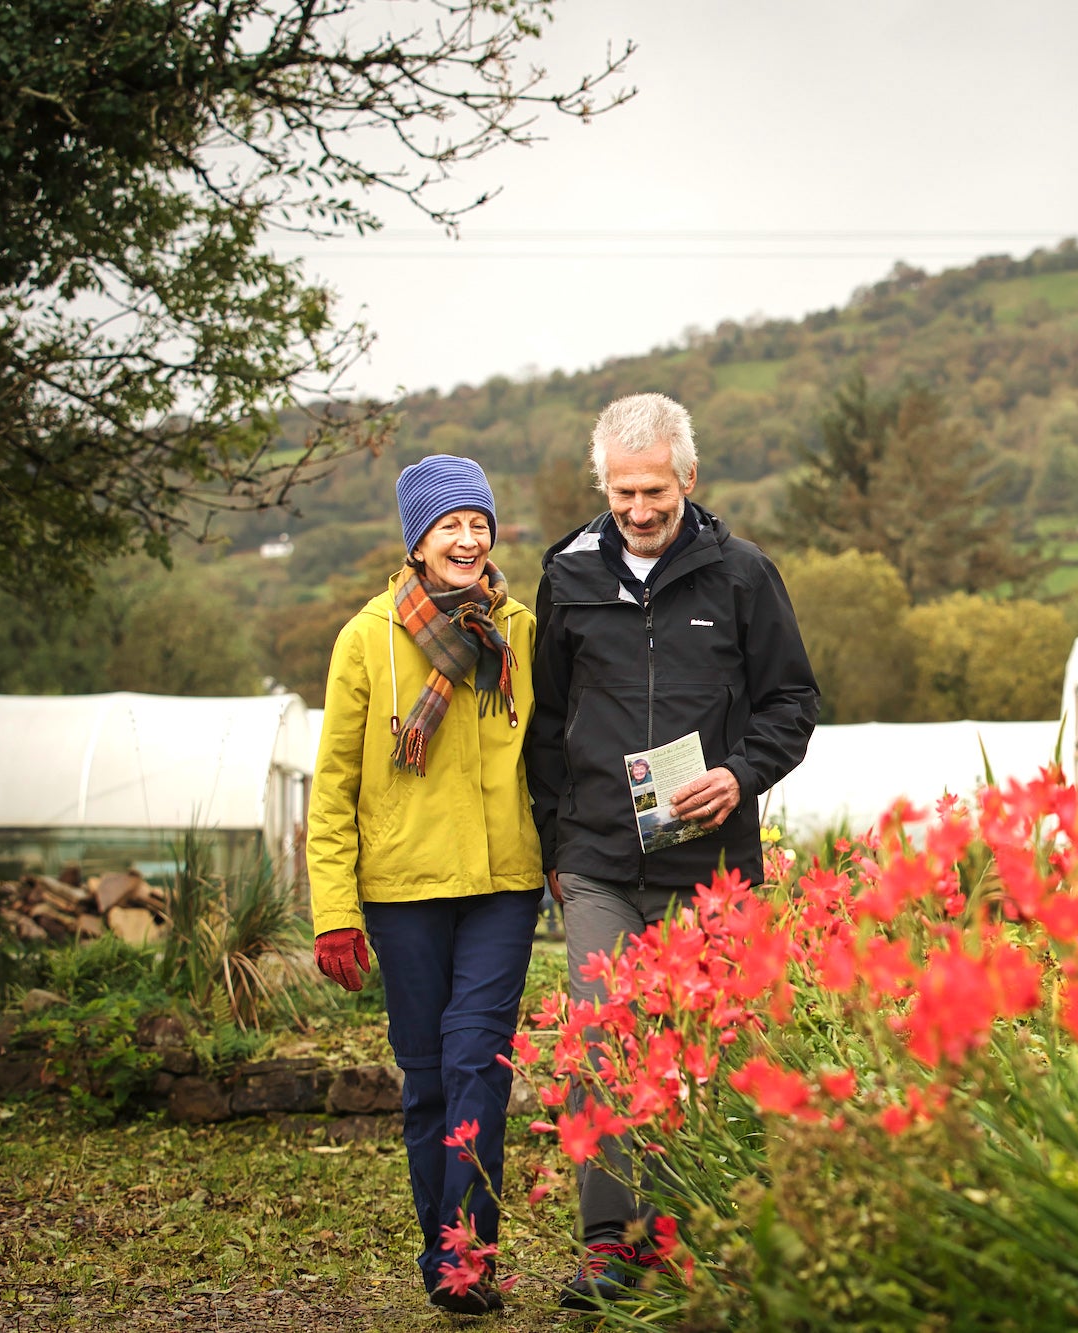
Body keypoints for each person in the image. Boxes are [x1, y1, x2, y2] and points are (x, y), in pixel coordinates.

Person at [526, 393, 818, 1307]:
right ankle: (607, 1242)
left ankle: (686, 1232)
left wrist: (740, 774)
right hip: (601, 858)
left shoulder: (742, 576)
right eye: (622, 494)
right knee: (602, 1036)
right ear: (602, 486)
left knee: (706, 1046)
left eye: (654, 490)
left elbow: (791, 705)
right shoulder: (566, 577)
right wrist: (554, 840)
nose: (639, 510)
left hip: (712, 871)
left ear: (689, 479)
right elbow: (544, 723)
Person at [308, 454, 542, 1316]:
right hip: (403, 890)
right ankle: (442, 1242)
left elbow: (547, 746)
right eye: (450, 524)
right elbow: (332, 787)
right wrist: (335, 911)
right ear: (417, 540)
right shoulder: (368, 636)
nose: (469, 538)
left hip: (502, 883)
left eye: (479, 522)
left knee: (477, 1062)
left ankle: (464, 1259)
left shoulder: (517, 627)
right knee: (428, 1080)